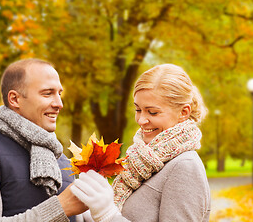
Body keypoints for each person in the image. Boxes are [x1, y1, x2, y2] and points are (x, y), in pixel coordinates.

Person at [71, 64, 211, 222]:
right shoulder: (139, 164)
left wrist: (107, 215)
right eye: (138, 110)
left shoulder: (185, 166)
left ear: (183, 112)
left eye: (152, 112)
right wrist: (85, 210)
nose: (141, 120)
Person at [0, 58, 88, 221]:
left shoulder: (62, 161)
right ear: (15, 99)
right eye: (47, 93)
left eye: (59, 94)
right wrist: (60, 207)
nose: (59, 104)